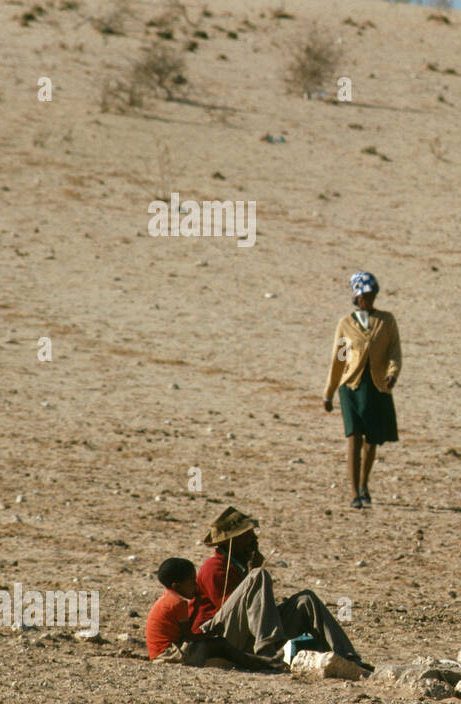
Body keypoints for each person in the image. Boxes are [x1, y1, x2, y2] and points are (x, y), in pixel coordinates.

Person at [191, 506, 372, 670]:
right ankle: (266, 652)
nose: (254, 539)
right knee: (258, 576)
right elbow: (232, 611)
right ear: (231, 541)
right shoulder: (214, 567)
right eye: (247, 535)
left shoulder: (238, 564)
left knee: (305, 600)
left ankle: (347, 656)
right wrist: (253, 573)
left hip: (244, 632)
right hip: (219, 636)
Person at [323, 271, 401, 509]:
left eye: (372, 294)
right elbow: (339, 360)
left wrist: (392, 374)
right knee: (354, 436)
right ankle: (354, 492)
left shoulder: (387, 322)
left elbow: (394, 353)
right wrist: (329, 392)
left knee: (372, 440)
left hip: (377, 387)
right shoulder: (346, 325)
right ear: (356, 297)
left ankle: (365, 484)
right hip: (351, 388)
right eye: (364, 295)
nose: (368, 299)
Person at [145, 557, 279, 670]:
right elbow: (189, 636)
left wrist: (196, 605)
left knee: (220, 647)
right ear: (177, 586)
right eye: (192, 580)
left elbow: (184, 630)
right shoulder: (178, 602)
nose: (195, 584)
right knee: (220, 645)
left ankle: (262, 662)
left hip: (163, 652)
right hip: (169, 654)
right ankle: (263, 664)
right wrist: (210, 634)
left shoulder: (168, 597)